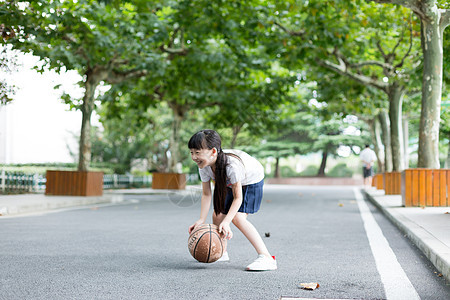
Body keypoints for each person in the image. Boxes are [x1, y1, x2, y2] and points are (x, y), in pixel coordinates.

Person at [188, 129, 277, 271]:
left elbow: (238, 198)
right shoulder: (204, 166)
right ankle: (221, 251)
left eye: (197, 152)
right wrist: (201, 219)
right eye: (191, 152)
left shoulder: (232, 166)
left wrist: (227, 222)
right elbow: (206, 194)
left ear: (213, 151)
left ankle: (266, 257)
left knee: (237, 218)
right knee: (217, 215)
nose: (194, 157)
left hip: (251, 180)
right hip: (230, 182)